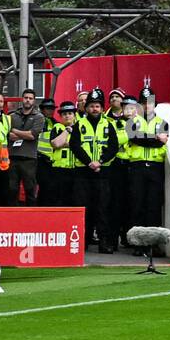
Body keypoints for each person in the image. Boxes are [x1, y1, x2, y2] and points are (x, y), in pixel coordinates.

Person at [70, 88, 120, 253]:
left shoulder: (108, 125)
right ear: (86, 108)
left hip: (103, 173)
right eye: (91, 106)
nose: (94, 109)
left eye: (97, 106)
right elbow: (75, 145)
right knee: (83, 208)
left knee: (102, 209)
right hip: (82, 173)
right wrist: (89, 162)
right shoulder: (79, 124)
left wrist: (100, 161)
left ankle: (104, 242)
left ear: (101, 107)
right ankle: (82, 242)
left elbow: (113, 147)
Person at [125, 87, 169, 237]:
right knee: (136, 204)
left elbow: (161, 142)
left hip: (156, 167)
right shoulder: (132, 121)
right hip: (137, 167)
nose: (146, 106)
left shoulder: (163, 122)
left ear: (154, 103)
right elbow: (134, 137)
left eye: (149, 102)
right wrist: (155, 137)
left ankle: (152, 242)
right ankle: (136, 242)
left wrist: (145, 138)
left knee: (153, 205)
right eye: (143, 103)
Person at [6, 88, 44, 205]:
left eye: (30, 98)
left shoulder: (39, 117)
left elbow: (32, 135)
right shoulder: (12, 116)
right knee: (12, 189)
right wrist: (24, 134)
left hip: (29, 158)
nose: (28, 100)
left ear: (34, 101)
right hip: (13, 157)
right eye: (26, 98)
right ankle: (13, 215)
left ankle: (31, 215)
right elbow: (8, 135)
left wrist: (16, 131)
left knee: (30, 188)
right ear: (22, 99)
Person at [36, 99, 72, 206]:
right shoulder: (38, 122)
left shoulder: (56, 124)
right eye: (48, 108)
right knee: (42, 189)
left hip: (52, 161)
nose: (50, 111)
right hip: (40, 159)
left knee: (51, 191)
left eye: (52, 108)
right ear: (42, 109)